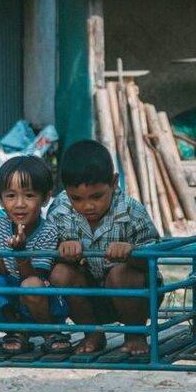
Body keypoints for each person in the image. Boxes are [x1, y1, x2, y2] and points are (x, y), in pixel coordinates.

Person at [48, 140, 160, 356]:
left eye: (97, 196)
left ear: (114, 182)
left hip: (135, 298)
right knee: (60, 273)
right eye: (77, 198)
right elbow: (46, 255)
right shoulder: (60, 210)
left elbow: (153, 259)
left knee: (120, 274)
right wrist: (63, 253)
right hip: (89, 300)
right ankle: (93, 333)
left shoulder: (131, 210)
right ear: (66, 190)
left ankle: (135, 334)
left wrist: (131, 253)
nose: (88, 206)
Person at [0, 156, 69, 354]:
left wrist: (21, 254)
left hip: (42, 305)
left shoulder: (49, 231)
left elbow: (35, 277)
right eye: (11, 196)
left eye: (29, 195)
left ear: (45, 198)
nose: (20, 204)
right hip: (13, 305)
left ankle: (50, 332)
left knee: (31, 286)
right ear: (1, 200)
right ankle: (17, 331)